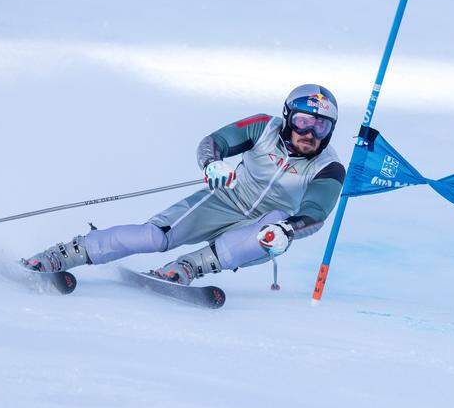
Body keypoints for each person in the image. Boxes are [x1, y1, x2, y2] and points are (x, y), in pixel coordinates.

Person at [21, 84, 345, 284]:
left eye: (320, 125)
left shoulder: (328, 166)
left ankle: (187, 269)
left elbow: (316, 212)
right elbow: (215, 141)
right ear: (288, 118)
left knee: (275, 230)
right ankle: (65, 254)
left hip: (264, 223)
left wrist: (290, 230)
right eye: (303, 121)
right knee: (154, 236)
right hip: (225, 200)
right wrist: (213, 163)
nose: (310, 133)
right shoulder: (264, 127)